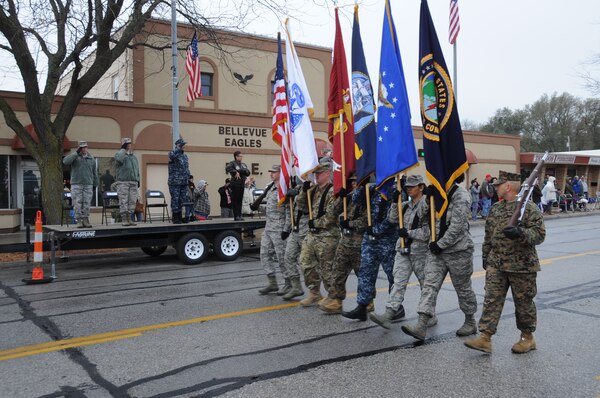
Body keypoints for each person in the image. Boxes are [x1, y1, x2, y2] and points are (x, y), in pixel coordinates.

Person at [464, 171, 546, 354]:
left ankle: (527, 337)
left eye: (498, 185)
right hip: (497, 263)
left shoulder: (529, 208)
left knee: (523, 303)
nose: (495, 188)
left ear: (507, 186)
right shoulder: (496, 209)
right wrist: (486, 257)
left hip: (522, 265)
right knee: (491, 300)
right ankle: (485, 337)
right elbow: (488, 237)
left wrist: (521, 233)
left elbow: (540, 235)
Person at [402, 174, 478, 341]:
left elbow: (457, 227)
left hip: (458, 250)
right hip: (436, 251)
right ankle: (422, 324)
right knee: (429, 285)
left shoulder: (461, 195)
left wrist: (441, 244)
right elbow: (421, 215)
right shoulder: (434, 193)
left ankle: (470, 320)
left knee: (463, 288)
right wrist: (428, 198)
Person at [370, 175, 437, 329]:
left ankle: (430, 315)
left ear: (421, 187)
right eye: (407, 187)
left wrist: (409, 233)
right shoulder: (405, 205)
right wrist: (394, 202)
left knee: (425, 285)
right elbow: (393, 219)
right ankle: (389, 313)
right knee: (398, 283)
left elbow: (429, 231)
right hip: (402, 250)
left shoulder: (427, 204)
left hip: (420, 252)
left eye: (412, 186)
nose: (409, 189)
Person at [342, 184, 398, 321]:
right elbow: (355, 200)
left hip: (388, 238)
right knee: (365, 272)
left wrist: (378, 230)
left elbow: (395, 217)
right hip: (370, 238)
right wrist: (361, 186)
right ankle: (362, 306)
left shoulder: (396, 188)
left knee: (393, 274)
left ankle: (396, 307)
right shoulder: (372, 188)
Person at [319, 176, 367, 314]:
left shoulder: (367, 199)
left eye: (356, 181)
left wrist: (350, 224)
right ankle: (335, 300)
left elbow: (367, 221)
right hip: (345, 240)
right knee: (338, 271)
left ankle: (367, 301)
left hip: (359, 242)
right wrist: (341, 198)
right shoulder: (349, 197)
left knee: (362, 274)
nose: (353, 184)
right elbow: (332, 212)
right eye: (351, 181)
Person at [298, 159, 341, 306]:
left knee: (327, 269)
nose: (316, 176)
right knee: (305, 263)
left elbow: (331, 216)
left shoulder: (333, 192)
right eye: (315, 173)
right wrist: (303, 191)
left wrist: (315, 223)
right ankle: (314, 292)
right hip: (312, 235)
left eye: (319, 173)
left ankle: (333, 298)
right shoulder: (314, 190)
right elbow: (302, 206)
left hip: (328, 235)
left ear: (328, 173)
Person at [256, 165, 290, 294]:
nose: (271, 174)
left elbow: (288, 210)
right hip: (268, 227)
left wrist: (287, 228)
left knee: (281, 257)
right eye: (270, 171)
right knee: (264, 255)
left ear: (280, 173)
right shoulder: (269, 187)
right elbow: (270, 208)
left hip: (279, 228)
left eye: (274, 172)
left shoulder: (283, 189)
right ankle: (272, 282)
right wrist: (257, 207)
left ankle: (288, 283)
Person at [62, 141, 99, 228]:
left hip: (88, 184)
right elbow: (65, 161)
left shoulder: (91, 159)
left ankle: (85, 219)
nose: (84, 149)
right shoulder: (75, 157)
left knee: (86, 203)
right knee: (77, 202)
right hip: (76, 184)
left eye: (85, 147)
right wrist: (76, 153)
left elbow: (95, 173)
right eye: (82, 147)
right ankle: (78, 220)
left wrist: (95, 184)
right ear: (79, 148)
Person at [114, 138, 140, 226]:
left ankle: (130, 218)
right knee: (123, 200)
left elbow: (137, 169)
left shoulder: (133, 156)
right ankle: (124, 219)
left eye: (129, 143)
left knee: (132, 201)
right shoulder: (120, 154)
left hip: (133, 182)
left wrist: (138, 179)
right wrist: (123, 149)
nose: (129, 145)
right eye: (127, 144)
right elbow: (118, 160)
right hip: (123, 182)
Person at [168, 138, 190, 224]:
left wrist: (188, 176)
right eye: (182, 145)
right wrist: (178, 148)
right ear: (178, 145)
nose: (184, 146)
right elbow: (171, 156)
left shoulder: (185, 156)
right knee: (175, 199)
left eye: (184, 145)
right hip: (175, 181)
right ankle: (175, 217)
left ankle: (180, 216)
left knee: (182, 199)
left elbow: (186, 168)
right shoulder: (173, 153)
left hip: (183, 181)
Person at [225, 151, 250, 221]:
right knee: (235, 200)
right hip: (235, 184)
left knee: (240, 200)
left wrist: (242, 171)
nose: (241, 157)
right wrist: (235, 171)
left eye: (242, 156)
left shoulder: (243, 165)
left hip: (242, 184)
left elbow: (247, 172)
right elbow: (227, 168)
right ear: (236, 156)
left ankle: (240, 215)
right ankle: (236, 216)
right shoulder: (232, 163)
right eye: (240, 156)